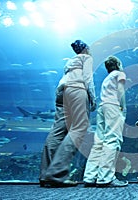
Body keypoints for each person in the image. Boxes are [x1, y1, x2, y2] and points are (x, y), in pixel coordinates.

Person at [39, 40, 96, 188]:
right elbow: (88, 79)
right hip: (76, 89)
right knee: (80, 127)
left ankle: (45, 174)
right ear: (86, 48)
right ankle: (57, 174)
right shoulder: (86, 58)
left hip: (61, 91)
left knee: (58, 130)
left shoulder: (70, 62)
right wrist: (93, 99)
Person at [83, 56, 128, 187]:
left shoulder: (106, 78)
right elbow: (120, 90)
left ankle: (90, 176)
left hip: (102, 107)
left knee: (99, 142)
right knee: (112, 140)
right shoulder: (120, 74)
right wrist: (123, 107)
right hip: (113, 106)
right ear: (118, 64)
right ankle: (105, 177)